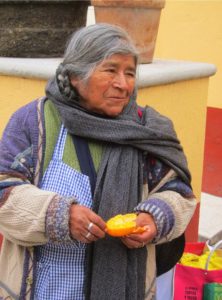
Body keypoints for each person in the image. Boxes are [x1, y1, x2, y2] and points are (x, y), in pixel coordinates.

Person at [0, 23, 196, 300]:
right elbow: (4, 190)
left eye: (130, 73)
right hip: (42, 288)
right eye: (111, 70)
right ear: (76, 76)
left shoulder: (148, 129)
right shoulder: (33, 121)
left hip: (127, 286)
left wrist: (155, 217)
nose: (123, 83)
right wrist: (59, 216)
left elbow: (179, 194)